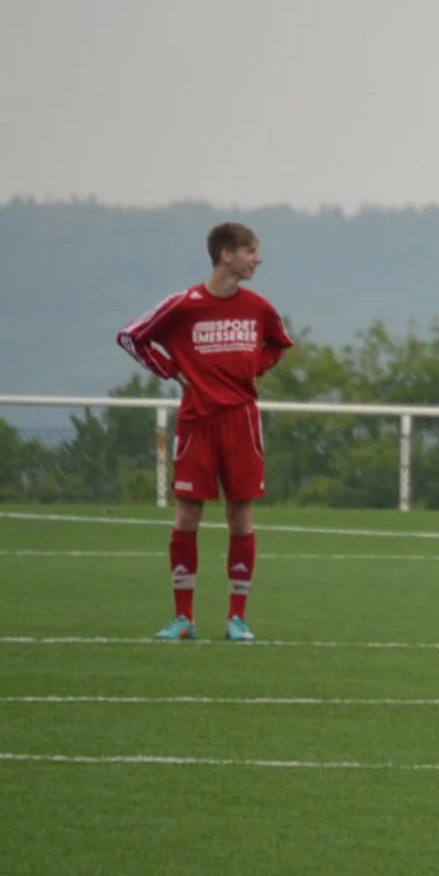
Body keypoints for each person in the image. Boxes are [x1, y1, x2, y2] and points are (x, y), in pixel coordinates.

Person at [116, 222, 293, 642]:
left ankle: (237, 619)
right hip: (197, 421)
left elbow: (278, 345)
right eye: (252, 251)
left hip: (242, 421)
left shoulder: (259, 308)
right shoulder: (184, 305)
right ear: (226, 255)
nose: (259, 259)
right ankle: (183, 619)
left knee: (240, 515)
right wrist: (171, 371)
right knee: (188, 514)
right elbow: (131, 337)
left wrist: (254, 366)